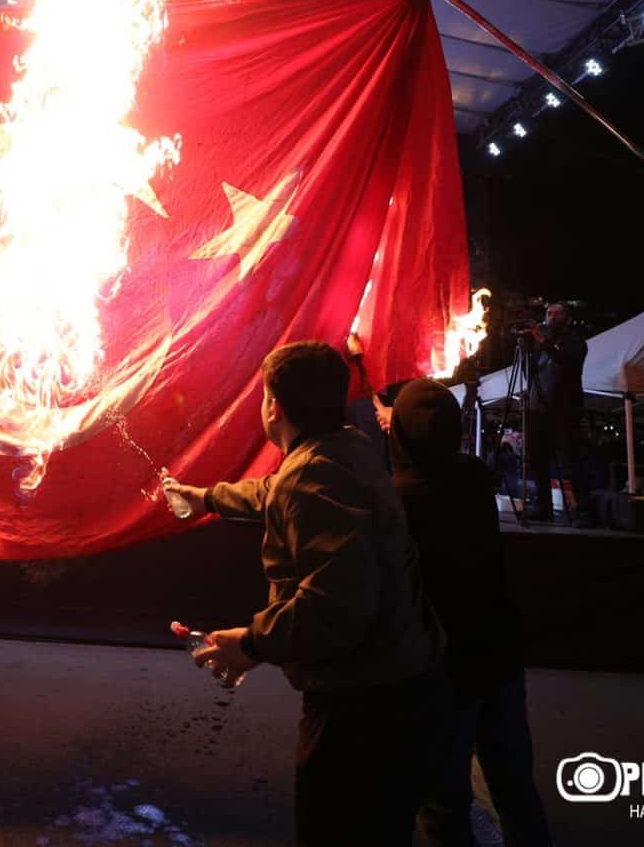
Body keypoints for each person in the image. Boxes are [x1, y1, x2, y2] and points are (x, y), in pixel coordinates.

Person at [163, 341, 447, 846]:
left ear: (274, 406)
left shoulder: (313, 475)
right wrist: (206, 498)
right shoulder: (346, 448)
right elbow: (275, 491)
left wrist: (250, 643)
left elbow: (336, 603)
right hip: (400, 687)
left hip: (360, 708)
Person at [387, 379, 552, 847]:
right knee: (514, 784)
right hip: (498, 652)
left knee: (443, 798)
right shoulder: (474, 477)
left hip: (442, 664)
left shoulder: (396, 498)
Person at [523, 303, 588, 526]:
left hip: (564, 409)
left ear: (567, 318)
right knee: (537, 458)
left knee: (569, 460)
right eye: (549, 313)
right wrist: (529, 347)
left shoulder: (575, 342)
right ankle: (544, 506)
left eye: (557, 313)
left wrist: (543, 341)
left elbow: (567, 363)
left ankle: (584, 510)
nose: (551, 317)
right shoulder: (539, 344)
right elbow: (531, 372)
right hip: (538, 407)